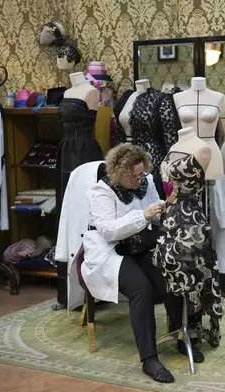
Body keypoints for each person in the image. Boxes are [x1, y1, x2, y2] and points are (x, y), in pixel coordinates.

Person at [81, 144, 182, 384]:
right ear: (119, 174)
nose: (140, 178)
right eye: (134, 176)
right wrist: (144, 215)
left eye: (141, 173)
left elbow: (154, 209)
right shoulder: (101, 191)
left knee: (170, 275)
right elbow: (107, 231)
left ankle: (181, 336)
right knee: (141, 289)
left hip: (138, 244)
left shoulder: (144, 181)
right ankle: (149, 359)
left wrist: (165, 207)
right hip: (110, 251)